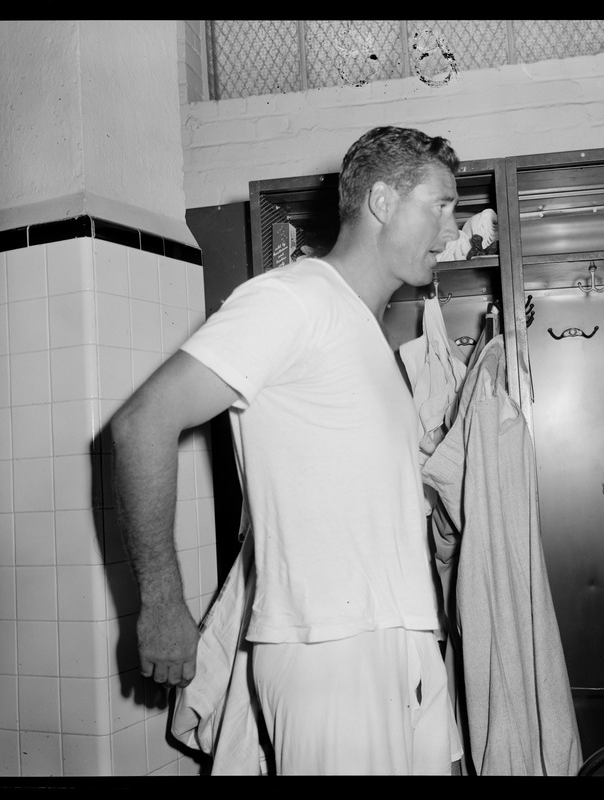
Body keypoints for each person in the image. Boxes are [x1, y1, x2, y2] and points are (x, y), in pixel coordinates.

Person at [111, 126, 465, 775]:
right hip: (330, 651)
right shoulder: (293, 299)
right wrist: (162, 601)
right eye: (440, 204)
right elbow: (142, 422)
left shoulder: (368, 335)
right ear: (383, 201)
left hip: (395, 638)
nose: (452, 227)